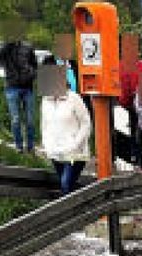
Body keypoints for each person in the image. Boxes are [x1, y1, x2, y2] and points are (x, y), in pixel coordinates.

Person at [40, 61, 92, 195]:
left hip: (75, 153)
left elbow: (86, 123)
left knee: (66, 184)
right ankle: (84, 204)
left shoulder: (74, 99)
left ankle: (72, 214)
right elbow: (44, 124)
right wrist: (46, 144)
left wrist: (76, 144)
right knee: (68, 186)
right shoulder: (45, 101)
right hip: (55, 152)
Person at [0, 39, 39, 153]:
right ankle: (19, 146)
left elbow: (35, 64)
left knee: (30, 120)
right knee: (15, 119)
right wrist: (7, 44)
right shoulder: (4, 46)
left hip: (27, 87)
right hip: (12, 87)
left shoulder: (28, 46)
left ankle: (30, 147)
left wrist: (32, 74)